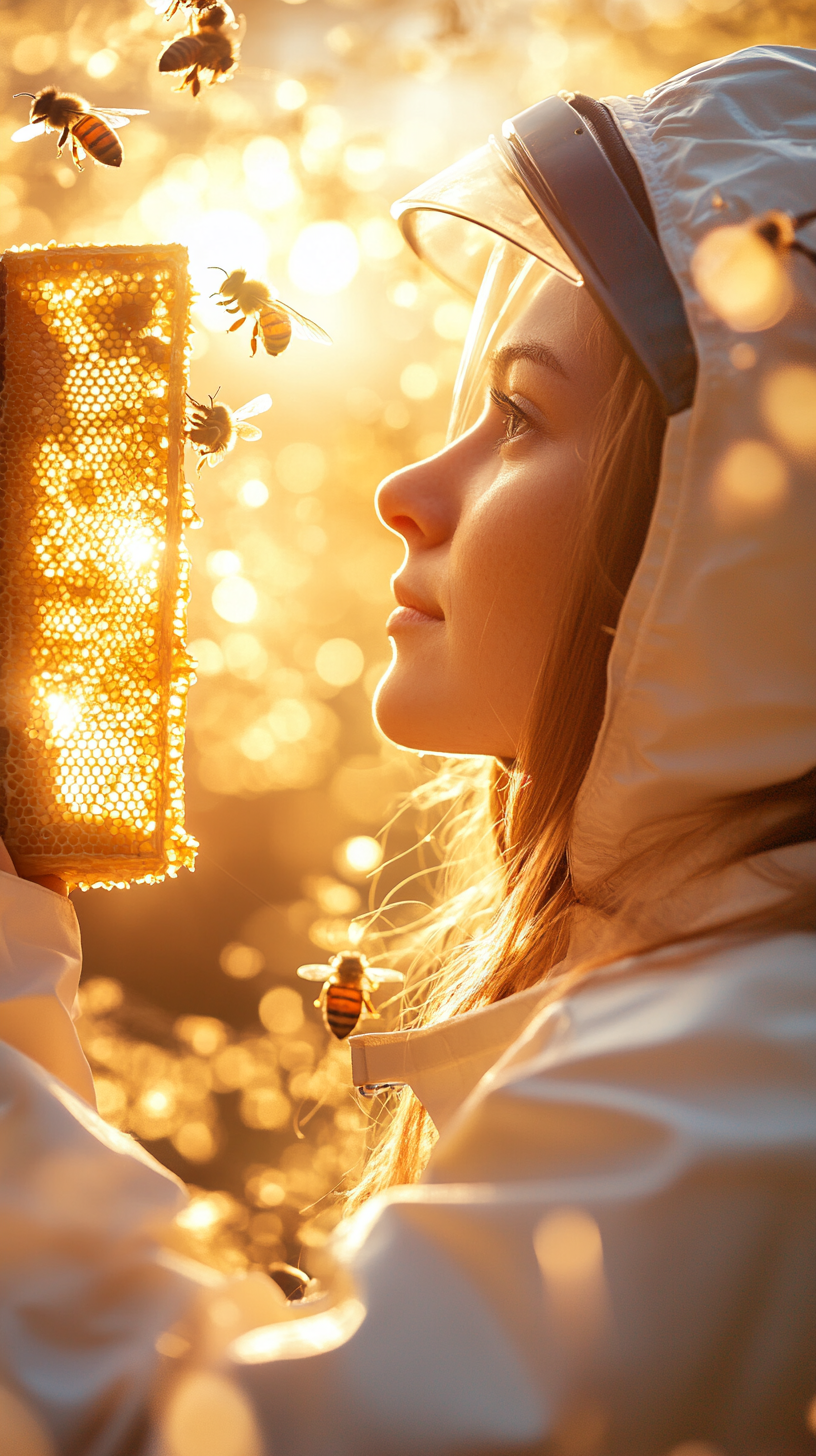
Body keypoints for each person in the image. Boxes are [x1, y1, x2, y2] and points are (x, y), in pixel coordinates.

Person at [1, 41, 814, 1456]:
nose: (404, 487)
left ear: (742, 536)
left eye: (518, 416)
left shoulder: (751, 1065)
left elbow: (181, 1431)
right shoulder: (714, 1027)